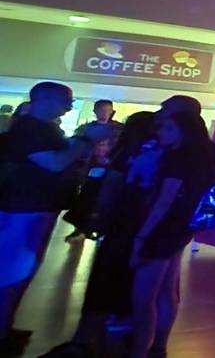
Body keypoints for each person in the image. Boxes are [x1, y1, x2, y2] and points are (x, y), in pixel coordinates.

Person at [0, 83, 114, 356]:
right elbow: (54, 163)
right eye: (66, 100)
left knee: (19, 272)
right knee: (12, 273)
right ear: (47, 99)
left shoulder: (41, 128)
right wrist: (87, 140)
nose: (69, 106)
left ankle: (6, 327)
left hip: (33, 208)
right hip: (24, 210)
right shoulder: (31, 129)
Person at [40, 111, 159, 358]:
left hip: (120, 226)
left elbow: (110, 190)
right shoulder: (163, 155)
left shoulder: (125, 154)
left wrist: (97, 219)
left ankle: (84, 341)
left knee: (104, 281)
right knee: (133, 288)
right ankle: (124, 340)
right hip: (144, 229)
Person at [126, 111, 215, 358]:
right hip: (179, 228)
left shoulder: (176, 159)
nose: (160, 132)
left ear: (183, 132)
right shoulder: (201, 157)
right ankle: (159, 346)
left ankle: (139, 351)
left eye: (167, 128)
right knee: (167, 289)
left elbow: (163, 202)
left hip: (161, 230)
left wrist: (141, 236)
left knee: (143, 298)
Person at [64, 101, 123, 243]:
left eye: (107, 110)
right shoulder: (86, 129)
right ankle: (82, 228)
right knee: (86, 198)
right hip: (89, 169)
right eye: (101, 110)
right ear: (95, 111)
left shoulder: (119, 130)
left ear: (112, 111)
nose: (104, 113)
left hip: (109, 170)